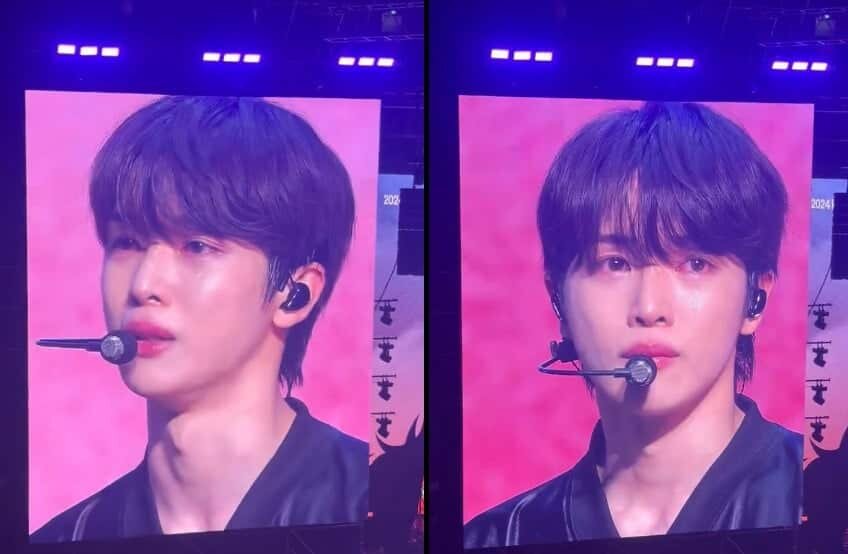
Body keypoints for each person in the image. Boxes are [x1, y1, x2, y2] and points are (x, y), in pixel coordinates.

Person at [464, 102, 803, 548]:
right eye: (615, 263)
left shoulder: (822, 497)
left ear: (755, 299)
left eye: (695, 263)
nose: (649, 307)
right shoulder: (497, 537)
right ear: (557, 298)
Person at [32, 95, 367, 541]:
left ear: (295, 293)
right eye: (127, 242)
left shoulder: (381, 508)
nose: (144, 284)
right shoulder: (67, 538)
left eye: (197, 246)